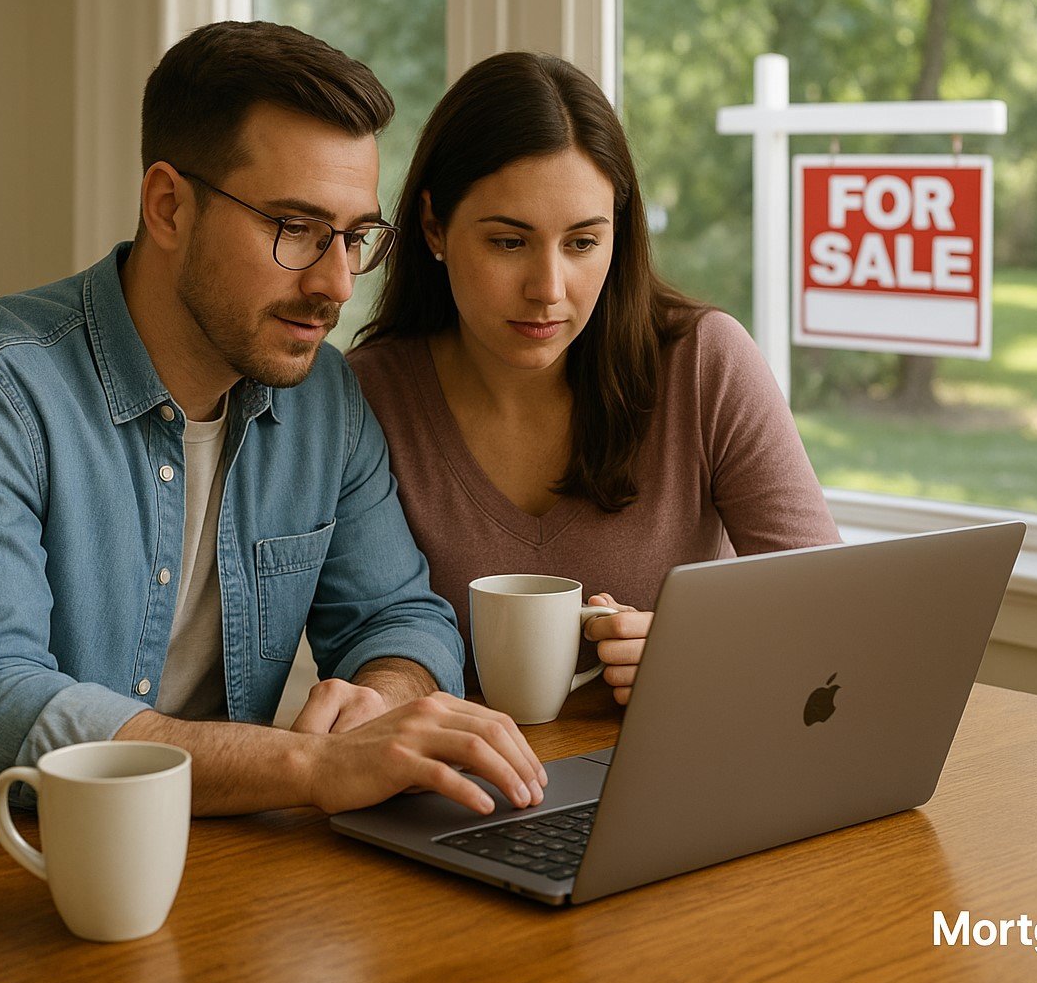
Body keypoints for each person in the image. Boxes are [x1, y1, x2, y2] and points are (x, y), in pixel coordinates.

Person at [0, 21, 545, 819]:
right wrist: (308, 765)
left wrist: (383, 698)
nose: (337, 285)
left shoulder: (323, 400)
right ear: (169, 206)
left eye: (354, 238)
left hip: (169, 861)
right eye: (295, 229)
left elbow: (401, 615)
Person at [348, 52, 841, 704]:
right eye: (508, 242)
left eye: (582, 243)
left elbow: (834, 616)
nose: (548, 290)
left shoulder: (703, 363)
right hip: (471, 793)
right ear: (435, 226)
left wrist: (709, 650)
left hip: (683, 779)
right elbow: (369, 637)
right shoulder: (367, 399)